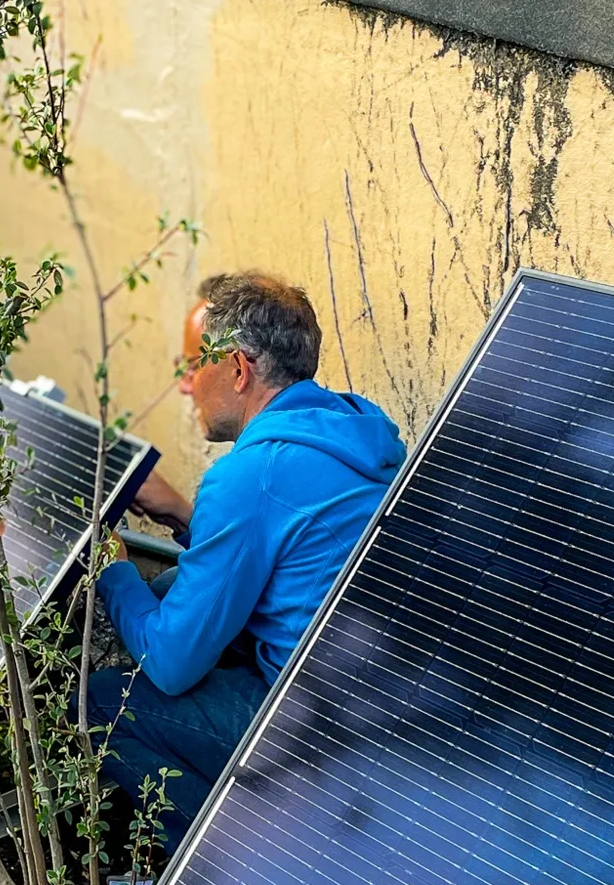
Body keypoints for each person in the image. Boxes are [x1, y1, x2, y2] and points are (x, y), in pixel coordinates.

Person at [89, 272, 407, 851]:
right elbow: (281, 548)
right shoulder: (356, 427)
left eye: (193, 365)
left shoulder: (248, 475)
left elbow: (171, 663)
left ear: (238, 369)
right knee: (169, 591)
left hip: (330, 738)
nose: (185, 385)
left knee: (102, 701)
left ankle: (228, 869)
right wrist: (183, 514)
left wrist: (112, 568)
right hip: (391, 702)